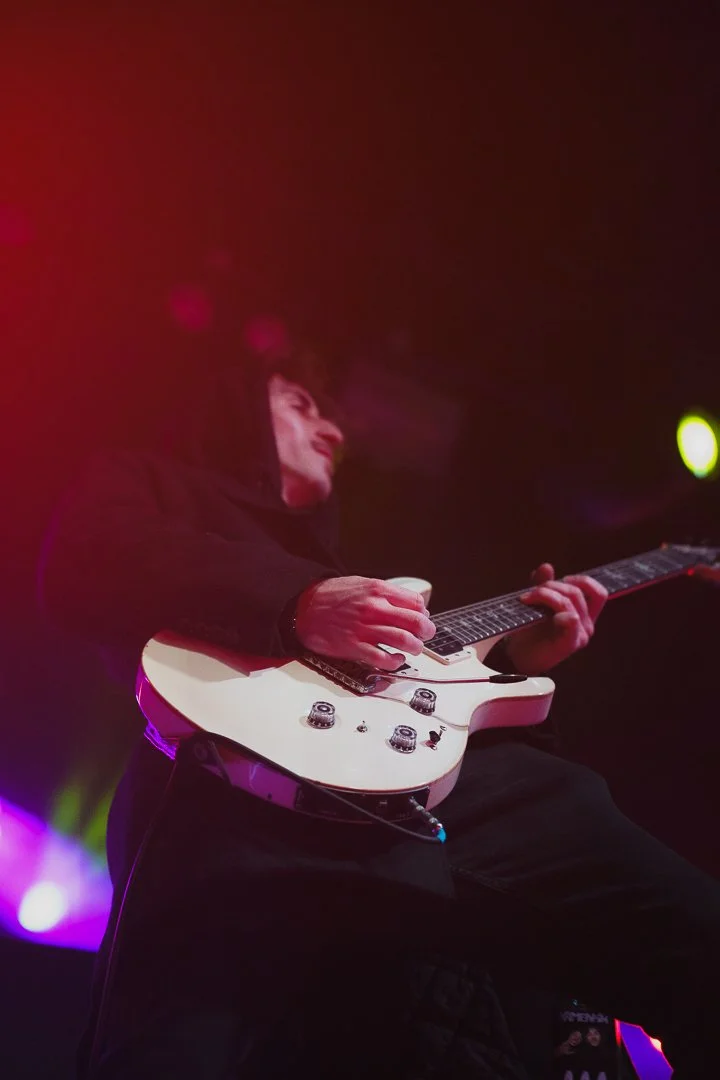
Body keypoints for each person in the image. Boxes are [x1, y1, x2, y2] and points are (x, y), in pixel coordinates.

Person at [39, 350, 720, 1079]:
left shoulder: (349, 561)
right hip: (229, 797)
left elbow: (426, 683)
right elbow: (87, 554)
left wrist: (516, 660)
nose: (332, 429)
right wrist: (296, 601)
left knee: (692, 940)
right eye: (301, 404)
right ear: (229, 410)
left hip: (420, 791)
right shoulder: (154, 483)